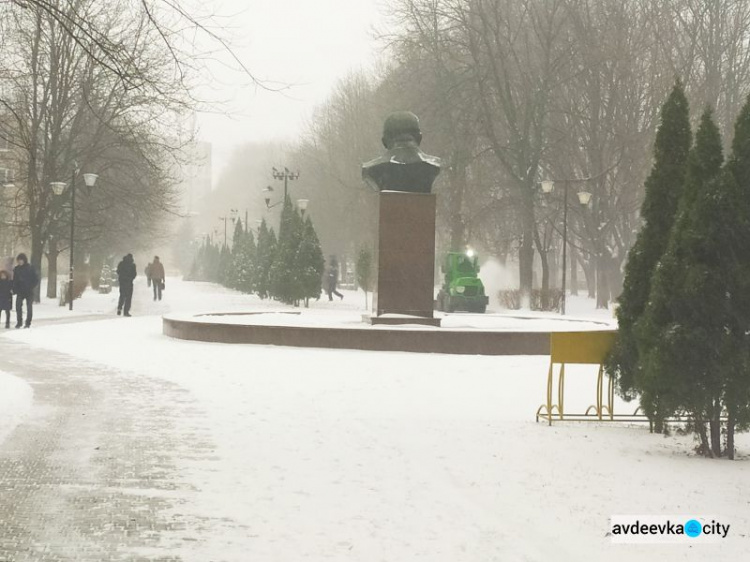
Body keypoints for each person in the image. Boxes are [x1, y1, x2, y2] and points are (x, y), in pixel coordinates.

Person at [12, 253, 38, 329]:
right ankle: (19, 322)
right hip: (20, 291)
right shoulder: (16, 269)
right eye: (18, 260)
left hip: (29, 291)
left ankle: (28, 323)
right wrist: (14, 289)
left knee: (29, 307)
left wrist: (31, 286)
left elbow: (35, 279)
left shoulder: (30, 268)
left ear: (24, 260)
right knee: (18, 307)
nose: (20, 262)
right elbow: (15, 280)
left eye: (21, 260)